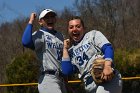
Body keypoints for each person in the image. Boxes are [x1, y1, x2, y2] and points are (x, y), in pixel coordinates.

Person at [61, 16, 122, 93]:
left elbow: (107, 48)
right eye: (71, 27)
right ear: (68, 31)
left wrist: (107, 66)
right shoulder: (70, 51)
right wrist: (65, 49)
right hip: (90, 86)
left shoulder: (92, 35)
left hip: (106, 79)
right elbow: (67, 71)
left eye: (78, 26)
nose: (74, 29)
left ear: (84, 28)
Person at [22, 9, 67, 93]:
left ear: (55, 19)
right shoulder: (40, 34)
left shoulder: (60, 36)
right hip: (48, 77)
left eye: (52, 17)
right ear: (40, 22)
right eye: (46, 17)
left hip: (61, 79)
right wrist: (31, 21)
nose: (50, 19)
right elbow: (26, 42)